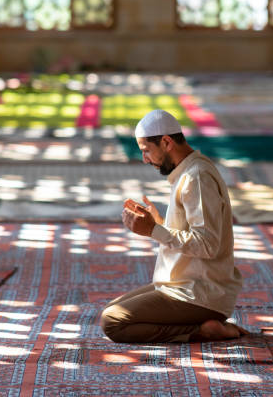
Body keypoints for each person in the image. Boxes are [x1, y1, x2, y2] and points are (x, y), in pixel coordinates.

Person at [100, 109, 244, 343]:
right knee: (114, 308)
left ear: (166, 142)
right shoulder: (188, 171)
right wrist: (156, 222)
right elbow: (190, 232)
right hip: (187, 284)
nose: (145, 159)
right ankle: (204, 324)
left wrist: (154, 231)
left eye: (147, 150)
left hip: (201, 293)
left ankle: (201, 330)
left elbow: (208, 245)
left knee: (113, 321)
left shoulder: (196, 177)